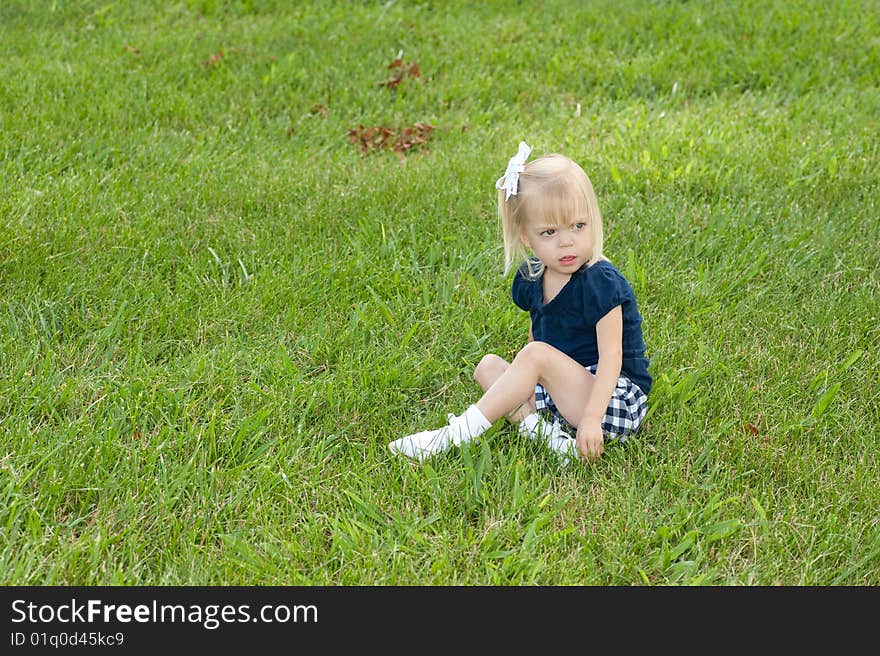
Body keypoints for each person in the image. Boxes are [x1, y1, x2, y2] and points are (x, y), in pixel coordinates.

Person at [389, 142, 651, 465]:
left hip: (611, 397)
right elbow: (538, 335)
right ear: (527, 237)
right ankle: (551, 441)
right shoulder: (532, 277)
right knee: (488, 367)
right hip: (563, 391)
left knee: (535, 357)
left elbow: (613, 357)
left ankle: (452, 438)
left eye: (578, 226)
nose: (566, 241)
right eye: (550, 231)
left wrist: (592, 419)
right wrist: (525, 381)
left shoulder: (601, 281)